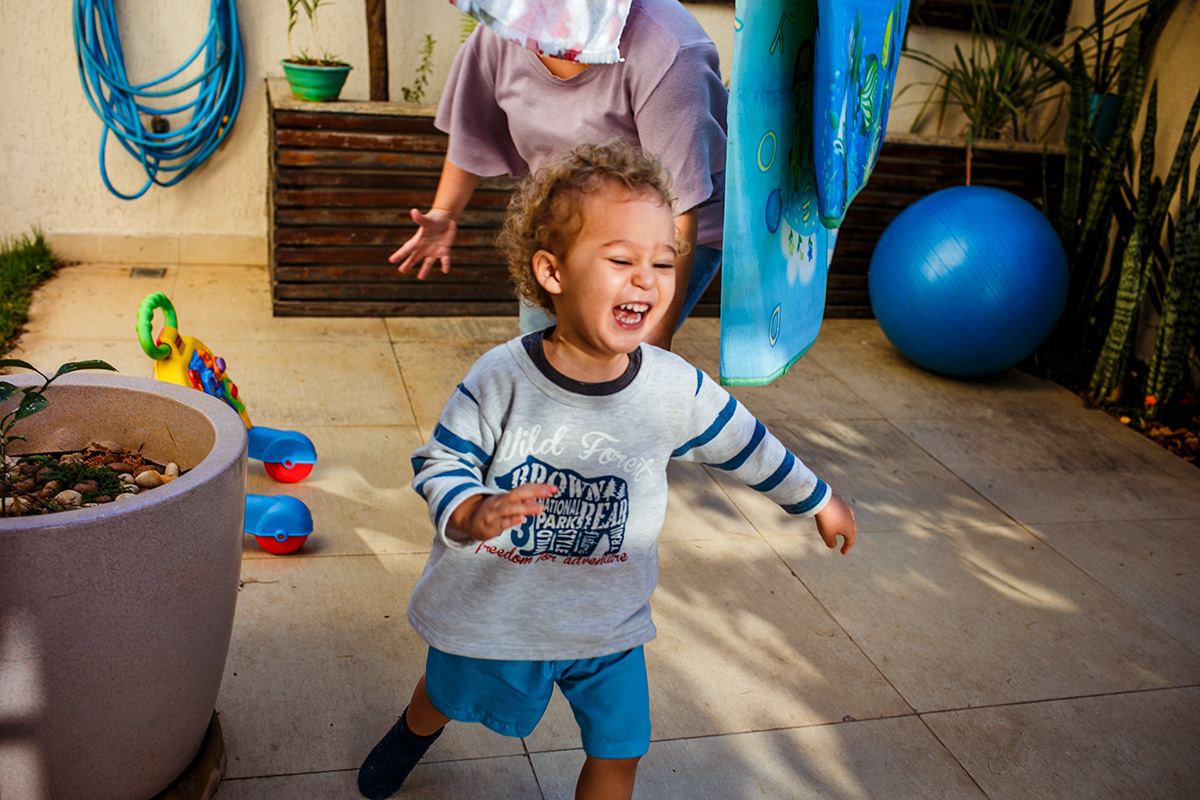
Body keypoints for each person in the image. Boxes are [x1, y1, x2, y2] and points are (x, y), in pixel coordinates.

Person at [357, 140, 856, 800]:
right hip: (498, 613)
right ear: (553, 271)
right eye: (621, 260)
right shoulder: (502, 378)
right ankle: (414, 729)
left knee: (621, 750)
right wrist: (471, 509)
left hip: (608, 622)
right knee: (447, 693)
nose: (647, 280)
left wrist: (816, 497)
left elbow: (749, 443)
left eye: (663, 261)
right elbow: (443, 459)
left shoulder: (674, 388)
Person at [388, 0, 728, 349]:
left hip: (669, 225)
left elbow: (678, 206)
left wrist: (653, 347)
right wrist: (445, 212)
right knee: (543, 347)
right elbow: (473, 125)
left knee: (607, 351)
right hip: (568, 221)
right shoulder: (505, 27)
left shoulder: (671, 49)